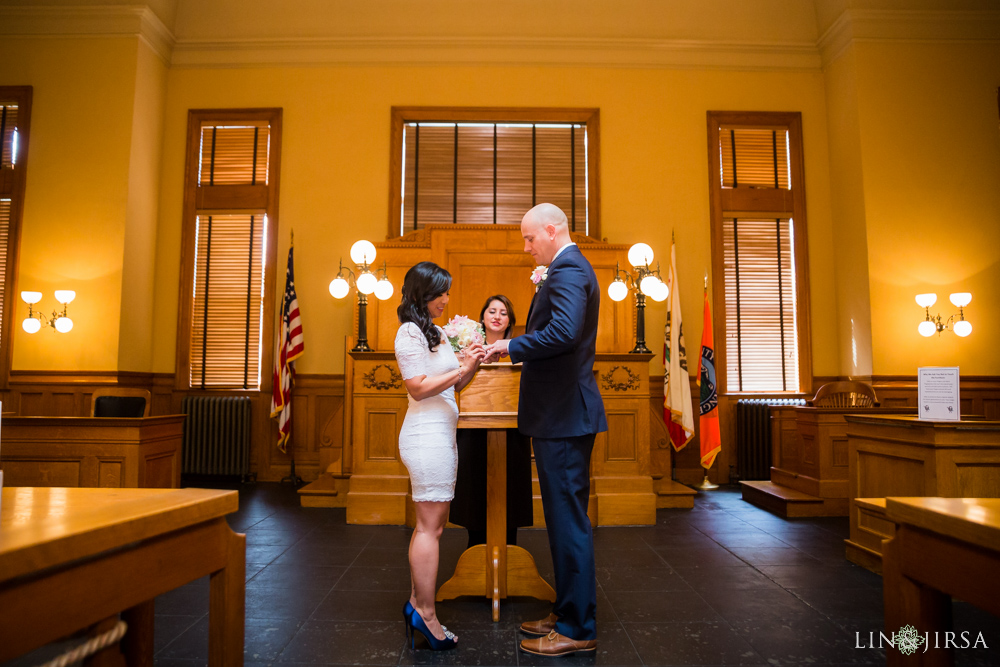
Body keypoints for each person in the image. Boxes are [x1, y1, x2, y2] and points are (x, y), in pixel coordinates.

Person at [484, 203, 607, 657]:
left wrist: (507, 347)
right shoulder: (566, 267)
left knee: (569, 522)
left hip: (564, 415)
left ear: (551, 231)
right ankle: (567, 609)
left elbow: (564, 332)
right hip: (560, 414)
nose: (526, 247)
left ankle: (578, 627)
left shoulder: (569, 269)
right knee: (560, 521)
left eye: (529, 238)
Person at [394, 261, 485, 651]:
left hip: (441, 434)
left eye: (447, 292)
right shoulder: (409, 332)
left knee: (432, 526)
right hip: (425, 436)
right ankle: (427, 615)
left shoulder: (433, 332)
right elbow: (418, 387)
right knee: (430, 528)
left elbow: (451, 385)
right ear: (421, 293)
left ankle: (417, 603)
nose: (446, 299)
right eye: (440, 293)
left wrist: (472, 365)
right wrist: (459, 369)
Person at [450, 295, 533, 548]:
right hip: (473, 429)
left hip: (512, 429)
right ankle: (474, 551)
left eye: (503, 313)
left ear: (510, 321)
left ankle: (509, 552)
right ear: (483, 317)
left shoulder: (522, 348)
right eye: (492, 311)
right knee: (474, 494)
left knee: (510, 494)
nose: (497, 316)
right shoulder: (466, 347)